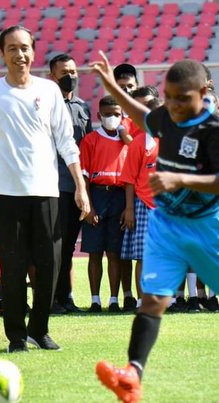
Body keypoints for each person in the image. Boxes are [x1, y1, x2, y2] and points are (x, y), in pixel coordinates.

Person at [90, 54, 219, 403]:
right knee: (153, 298)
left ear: (203, 92)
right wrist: (113, 89)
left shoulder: (217, 130)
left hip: (211, 226)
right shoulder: (168, 113)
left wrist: (177, 178)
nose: (175, 105)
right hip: (167, 224)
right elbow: (145, 118)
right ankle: (133, 375)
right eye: (169, 96)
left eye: (183, 98)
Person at [0, 25, 90, 353]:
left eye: (24, 48)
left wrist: (80, 186)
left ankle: (40, 328)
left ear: (33, 52)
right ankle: (17, 337)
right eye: (12, 49)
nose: (19, 55)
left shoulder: (49, 92)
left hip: (47, 190)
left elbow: (67, 142)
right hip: (5, 194)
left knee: (51, 263)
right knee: (13, 264)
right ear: (2, 53)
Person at [48, 53, 92, 314]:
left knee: (68, 247)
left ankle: (66, 298)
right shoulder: (46, 105)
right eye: (65, 72)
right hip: (53, 185)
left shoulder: (83, 107)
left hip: (77, 186)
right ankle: (51, 299)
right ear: (52, 76)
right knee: (55, 245)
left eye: (74, 71)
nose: (71, 76)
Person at [80, 95, 129, 313]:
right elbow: (84, 177)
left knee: (114, 252)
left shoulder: (127, 141)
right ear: (99, 116)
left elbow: (130, 178)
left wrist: (128, 207)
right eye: (108, 115)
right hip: (97, 195)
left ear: (122, 116)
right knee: (94, 252)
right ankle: (95, 300)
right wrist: (88, 206)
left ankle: (114, 300)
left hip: (119, 196)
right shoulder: (90, 140)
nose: (112, 118)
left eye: (116, 114)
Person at [120, 97, 162, 312]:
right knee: (144, 257)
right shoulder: (138, 142)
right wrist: (129, 209)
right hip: (144, 205)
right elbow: (129, 179)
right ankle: (142, 300)